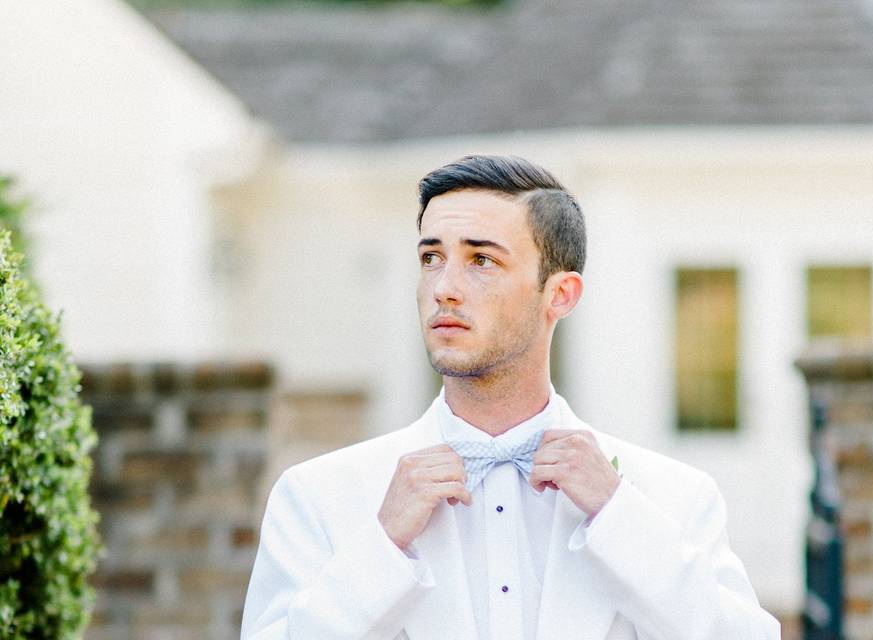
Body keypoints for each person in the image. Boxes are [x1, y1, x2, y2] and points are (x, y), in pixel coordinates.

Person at [240, 155, 781, 640]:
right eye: (431, 257)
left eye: (481, 260)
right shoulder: (318, 497)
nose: (444, 287)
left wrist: (620, 517)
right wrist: (380, 549)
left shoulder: (672, 497)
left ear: (560, 294)